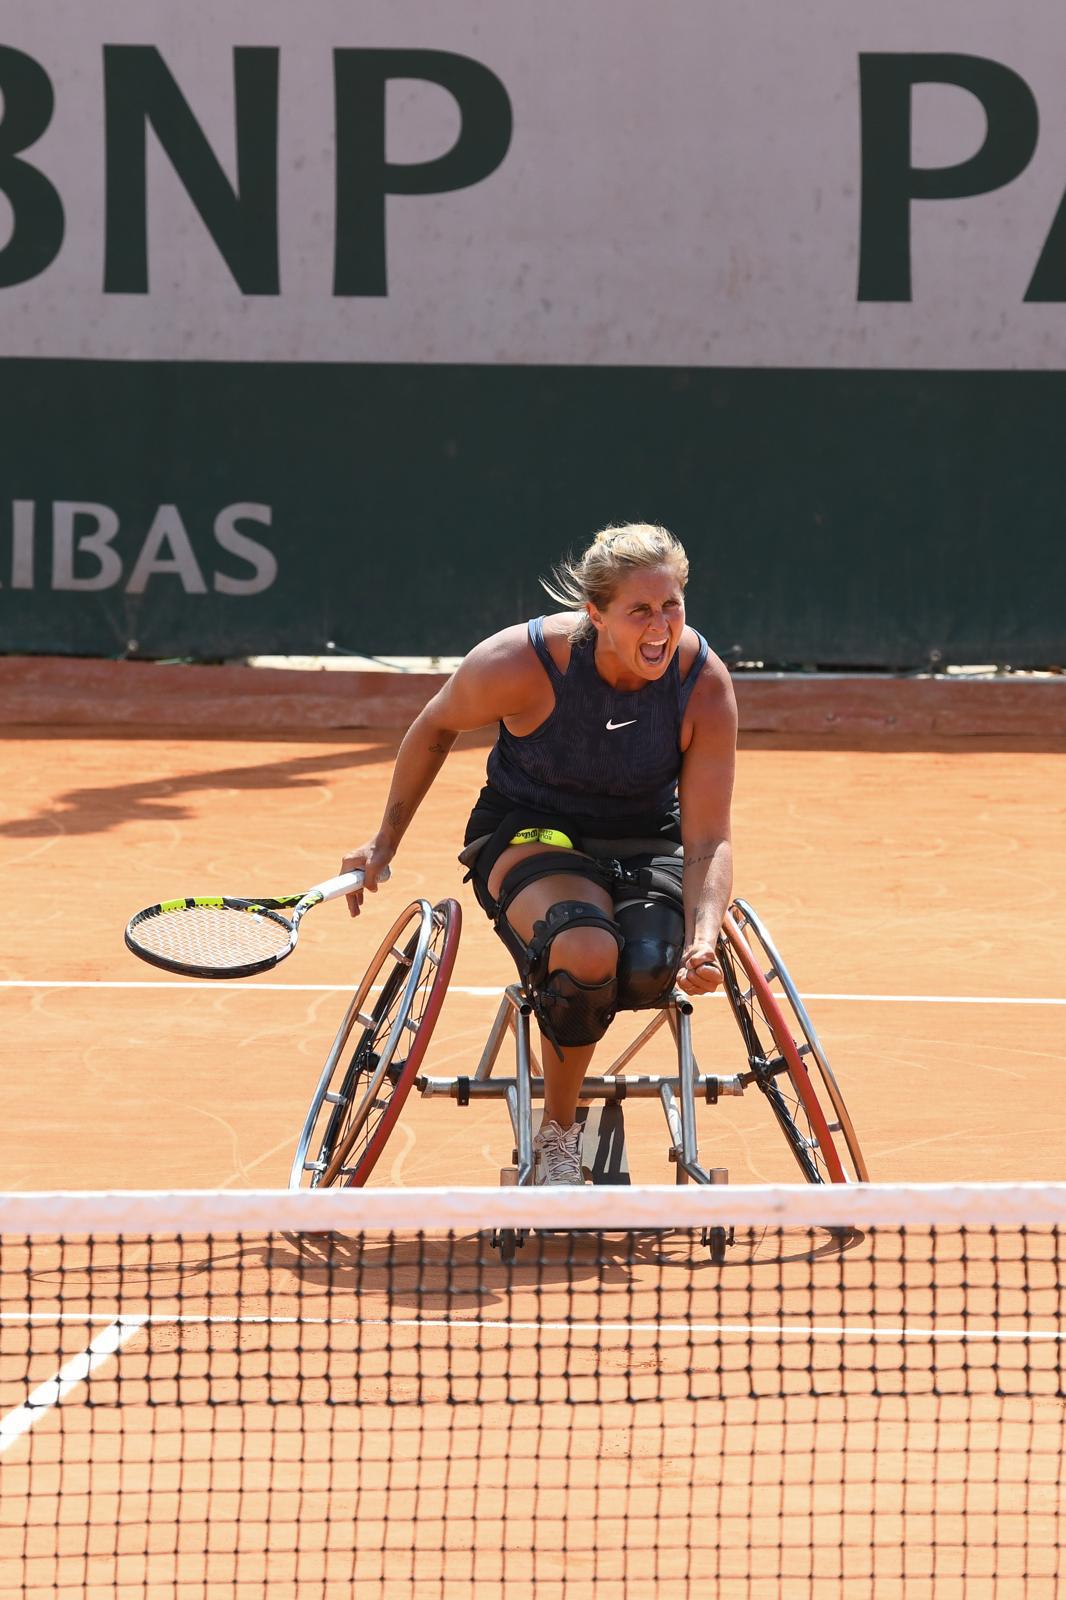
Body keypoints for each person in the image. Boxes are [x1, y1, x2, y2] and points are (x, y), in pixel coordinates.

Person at [340, 523, 737, 1184]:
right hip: (533, 830)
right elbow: (436, 725)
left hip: (644, 838)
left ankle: (578, 1006)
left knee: (646, 970)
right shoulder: (521, 664)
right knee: (586, 955)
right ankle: (559, 1132)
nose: (661, 626)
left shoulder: (702, 682)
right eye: (639, 610)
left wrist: (704, 937)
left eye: (672, 606)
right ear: (596, 613)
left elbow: (707, 837)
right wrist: (385, 842)